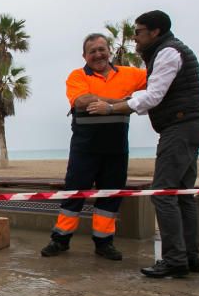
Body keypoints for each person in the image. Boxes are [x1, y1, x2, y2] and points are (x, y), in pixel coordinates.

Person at [87, 10, 199, 278]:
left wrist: (113, 107)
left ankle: (175, 259)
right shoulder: (167, 52)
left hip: (180, 127)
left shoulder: (167, 53)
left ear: (154, 32)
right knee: (182, 194)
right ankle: (190, 256)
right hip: (190, 124)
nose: (135, 38)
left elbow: (153, 96)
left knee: (163, 193)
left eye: (139, 32)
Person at [41, 34, 147, 260]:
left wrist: (115, 104)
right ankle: (60, 240)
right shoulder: (77, 75)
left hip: (117, 150)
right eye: (92, 51)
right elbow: (82, 100)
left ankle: (104, 243)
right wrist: (122, 104)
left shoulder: (131, 74)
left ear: (110, 51)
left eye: (102, 49)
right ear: (84, 56)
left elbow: (159, 81)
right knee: (73, 194)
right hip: (84, 149)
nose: (98, 54)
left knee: (110, 197)